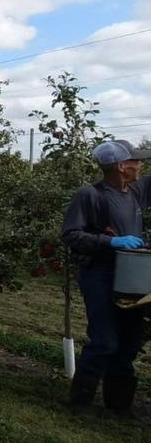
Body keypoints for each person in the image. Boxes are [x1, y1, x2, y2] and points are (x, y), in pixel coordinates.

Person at [63, 139, 151, 414]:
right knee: (104, 340)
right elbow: (71, 235)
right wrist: (110, 242)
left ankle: (118, 405)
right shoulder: (90, 196)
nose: (141, 165)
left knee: (130, 341)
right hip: (99, 274)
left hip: (132, 275)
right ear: (122, 166)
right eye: (136, 161)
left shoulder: (136, 190)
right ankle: (80, 402)